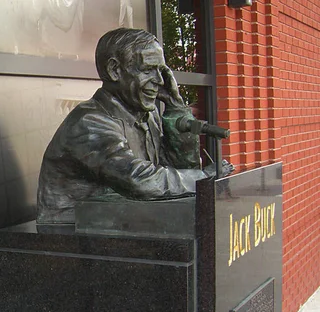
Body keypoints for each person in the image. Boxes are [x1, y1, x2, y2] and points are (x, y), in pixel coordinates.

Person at [37, 27, 212, 224]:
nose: (160, 80)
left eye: (161, 71)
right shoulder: (89, 122)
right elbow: (139, 180)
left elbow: (179, 168)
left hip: (121, 220)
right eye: (148, 70)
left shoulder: (148, 115)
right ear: (115, 70)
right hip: (74, 232)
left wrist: (176, 108)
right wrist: (202, 178)